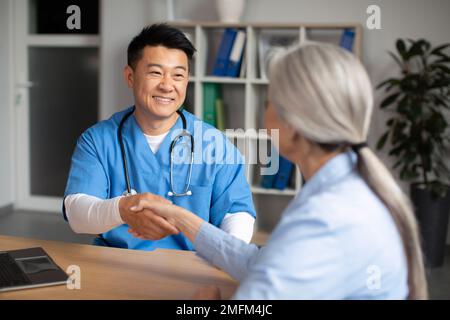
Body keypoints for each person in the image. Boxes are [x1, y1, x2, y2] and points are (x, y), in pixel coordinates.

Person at [129, 42, 428, 299]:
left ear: (295, 126)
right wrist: (179, 217)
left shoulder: (326, 216)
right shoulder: (346, 185)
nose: (264, 113)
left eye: (270, 102)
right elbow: (266, 264)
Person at [62, 24, 256, 251]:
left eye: (178, 75)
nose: (167, 85)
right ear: (130, 76)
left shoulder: (214, 143)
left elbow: (237, 213)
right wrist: (122, 208)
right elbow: (76, 212)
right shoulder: (97, 140)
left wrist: (228, 256)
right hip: (118, 264)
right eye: (155, 72)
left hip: (191, 268)